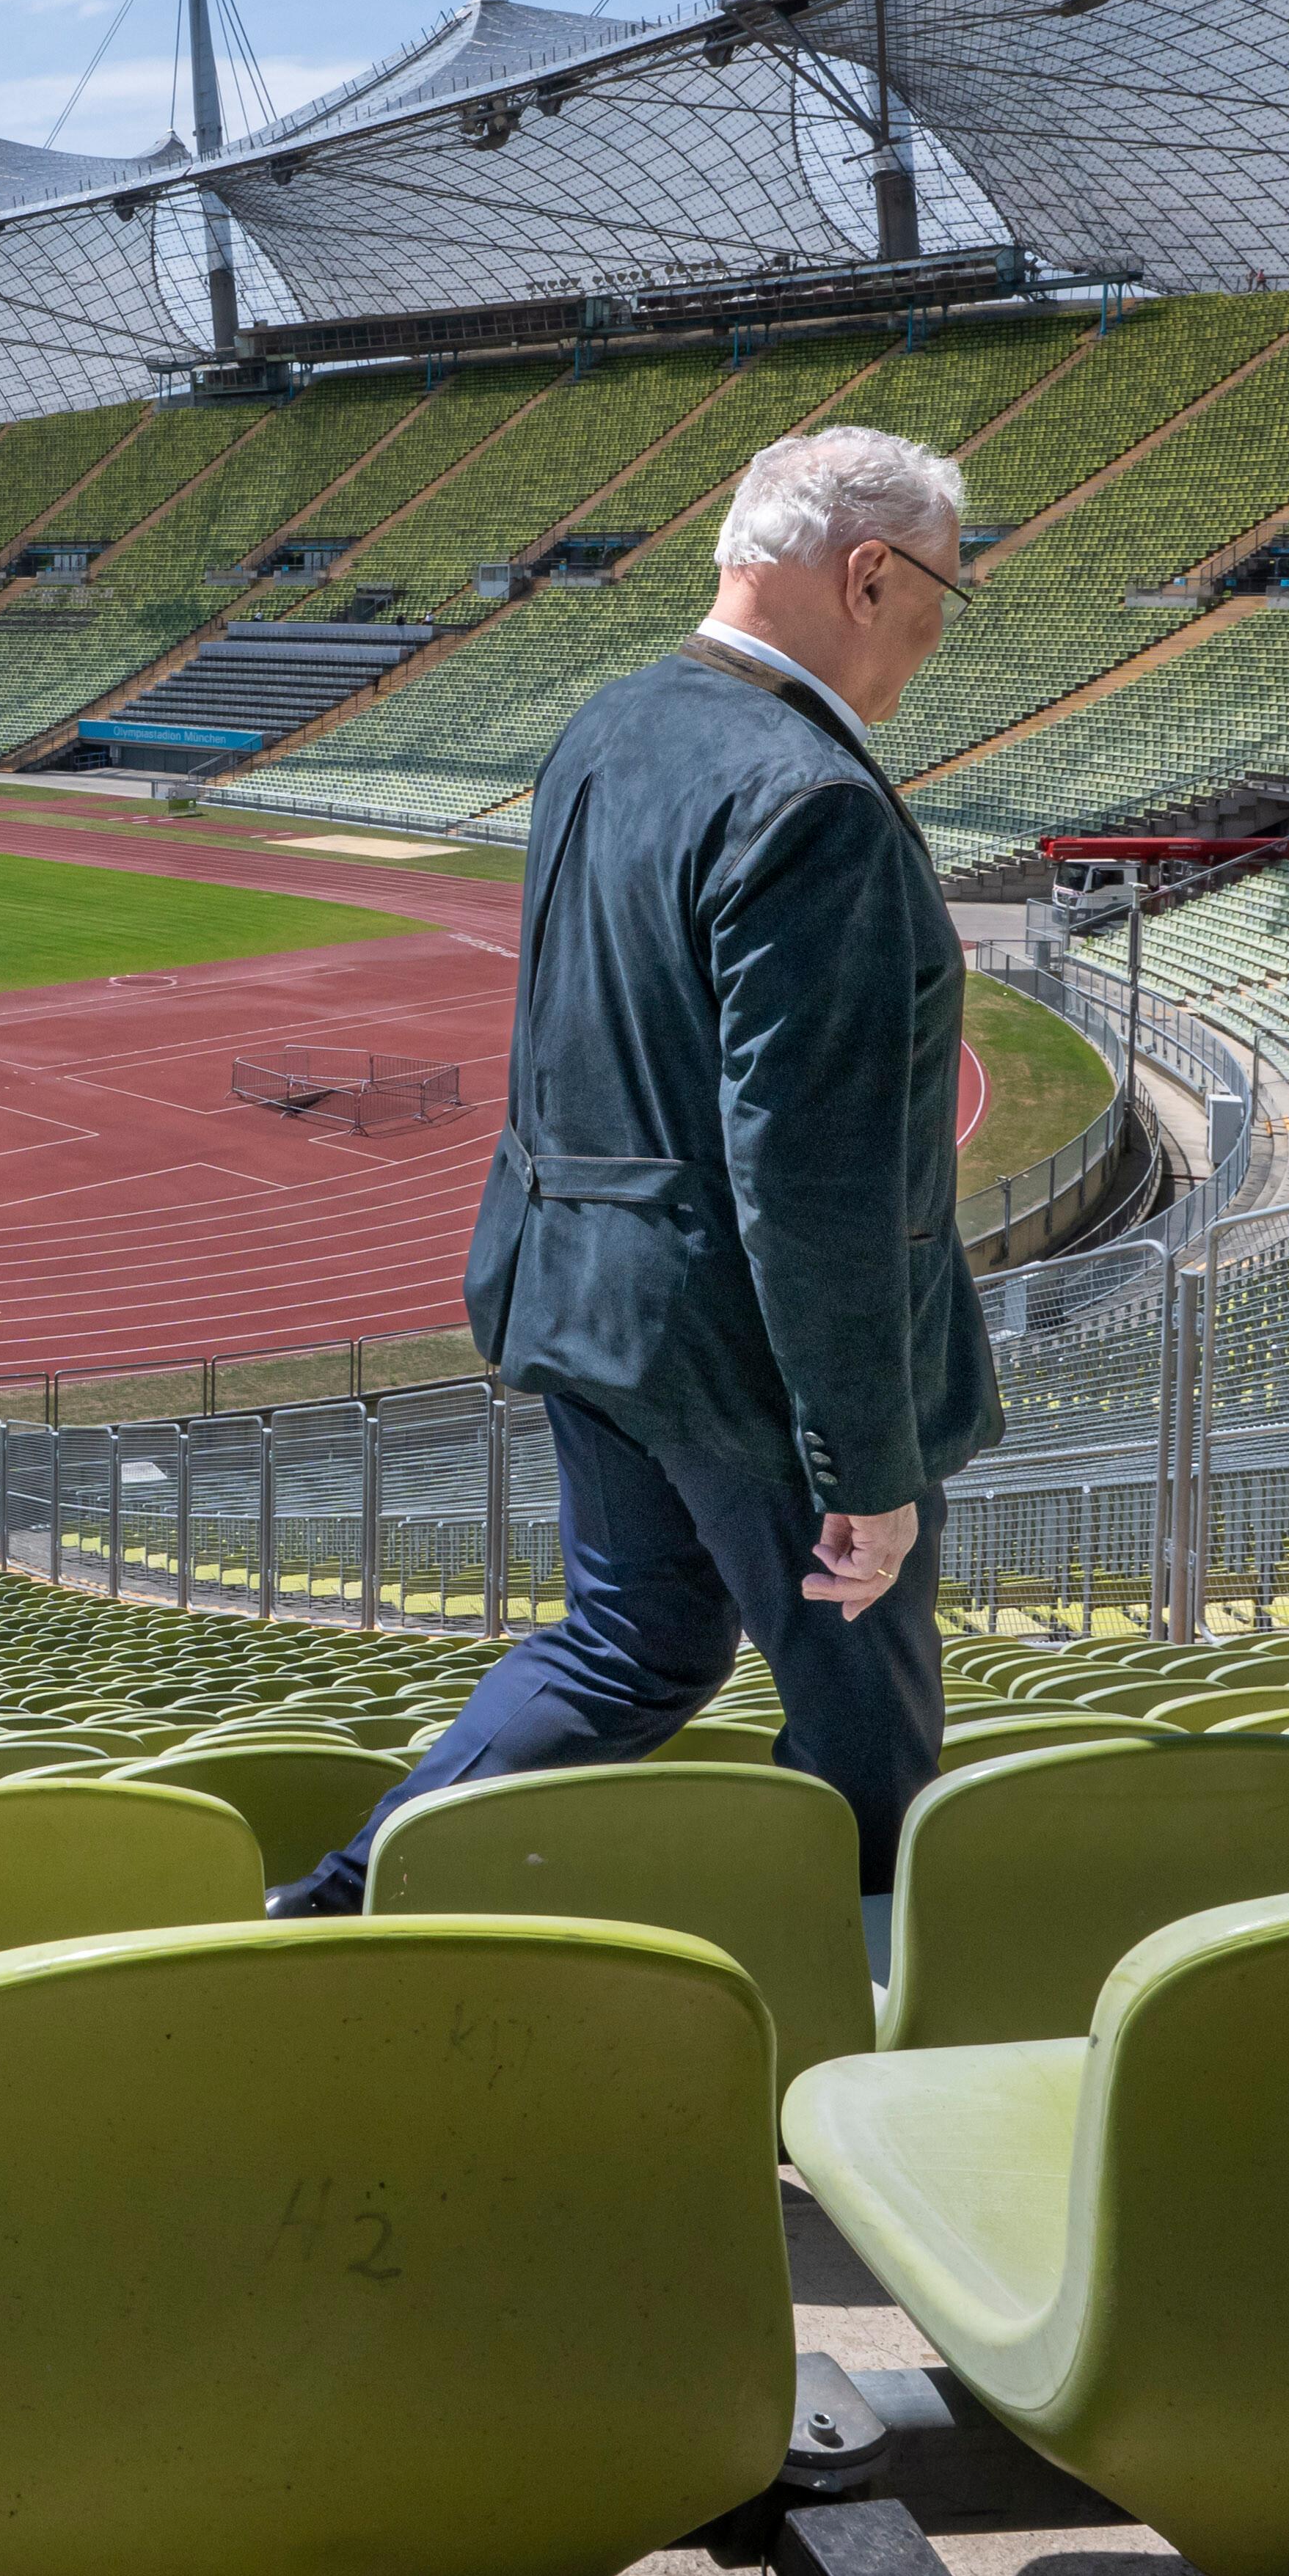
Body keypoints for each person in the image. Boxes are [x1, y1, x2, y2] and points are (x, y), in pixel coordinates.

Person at [276, 422, 1002, 1914]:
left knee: (636, 1641)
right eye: (942, 589)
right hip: (743, 1354)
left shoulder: (606, 728)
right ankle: (831, 2030)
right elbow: (813, 1174)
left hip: (586, 1304)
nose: (938, 628)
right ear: (869, 574)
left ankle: (339, 1906)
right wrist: (864, 1463)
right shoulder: (815, 803)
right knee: (870, 1724)